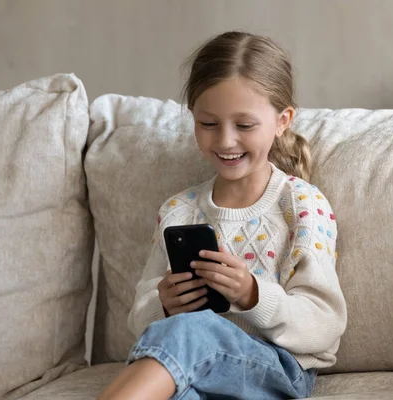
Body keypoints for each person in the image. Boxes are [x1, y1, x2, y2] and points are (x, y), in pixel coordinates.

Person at [98, 31, 347, 400]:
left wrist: (252, 295)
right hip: (193, 370)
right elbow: (141, 321)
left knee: (192, 332)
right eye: (208, 124)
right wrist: (163, 304)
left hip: (275, 370)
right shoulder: (178, 211)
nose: (226, 140)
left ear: (283, 121)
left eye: (244, 125)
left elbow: (325, 327)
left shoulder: (301, 205)